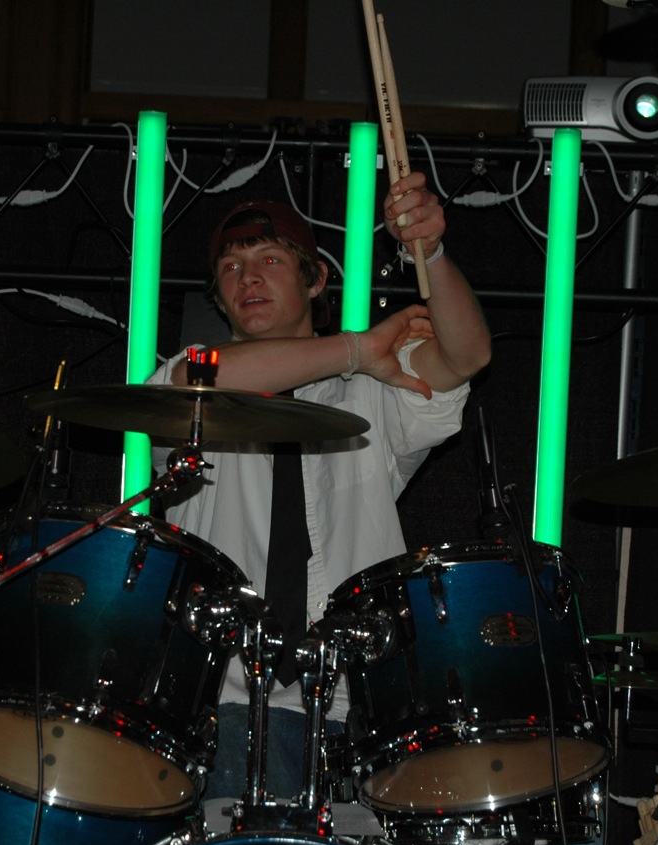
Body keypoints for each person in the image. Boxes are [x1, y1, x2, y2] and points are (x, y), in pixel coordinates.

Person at [147, 171, 491, 802]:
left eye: (270, 259)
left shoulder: (372, 391)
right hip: (226, 700)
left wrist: (432, 251)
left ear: (315, 280)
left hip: (359, 708)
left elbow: (465, 355)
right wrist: (357, 348)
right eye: (231, 268)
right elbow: (205, 381)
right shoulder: (191, 375)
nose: (248, 278)